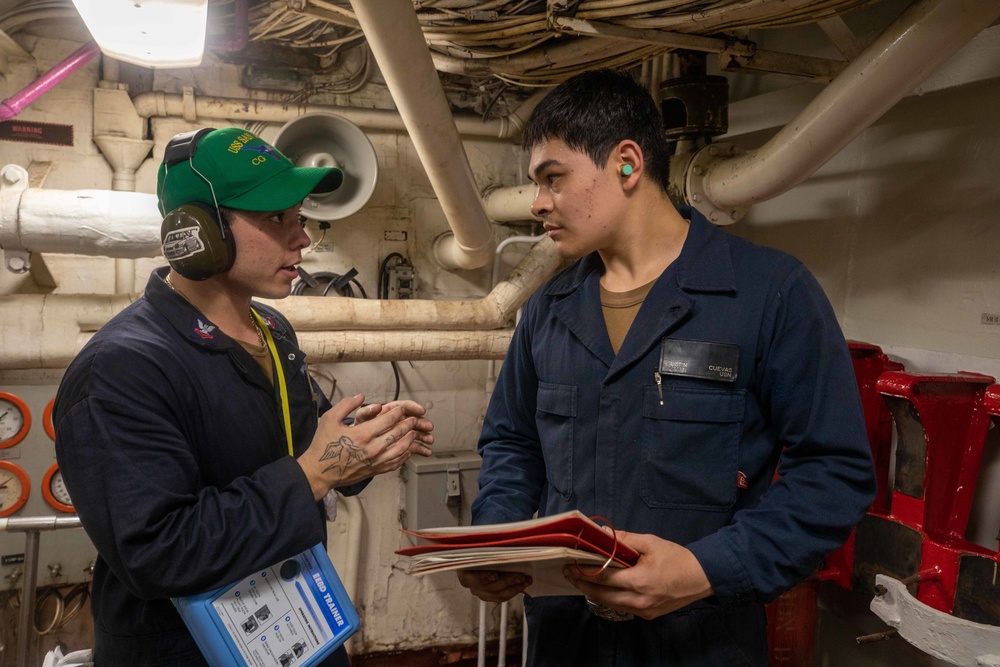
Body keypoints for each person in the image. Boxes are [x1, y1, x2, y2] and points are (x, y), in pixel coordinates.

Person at [457, 69, 876, 666]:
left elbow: (835, 474)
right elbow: (512, 443)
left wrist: (704, 569)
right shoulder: (549, 309)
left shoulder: (769, 294)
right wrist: (497, 541)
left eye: (554, 178)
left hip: (701, 641)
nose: (538, 202)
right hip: (566, 640)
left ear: (627, 164)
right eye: (535, 184)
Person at [54, 127, 434, 666]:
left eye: (299, 218)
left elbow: (305, 445)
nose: (302, 238)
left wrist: (366, 442)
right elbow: (157, 551)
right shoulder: (121, 369)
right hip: (184, 652)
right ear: (199, 231)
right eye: (276, 218)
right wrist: (314, 474)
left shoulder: (272, 330)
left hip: (295, 629)